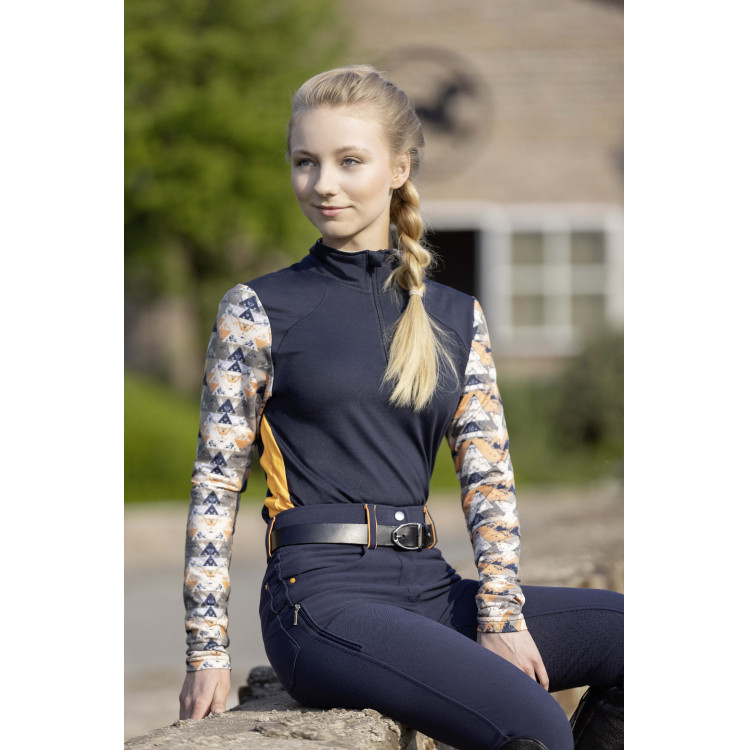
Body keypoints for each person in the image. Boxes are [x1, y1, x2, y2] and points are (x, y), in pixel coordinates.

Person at [179, 65, 623, 750]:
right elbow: (216, 485)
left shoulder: (455, 314)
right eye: (305, 161)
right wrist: (207, 651)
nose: (323, 183)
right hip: (320, 600)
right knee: (533, 726)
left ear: (399, 168)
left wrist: (501, 615)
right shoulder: (258, 309)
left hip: (428, 585)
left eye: (348, 161)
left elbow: (489, 480)